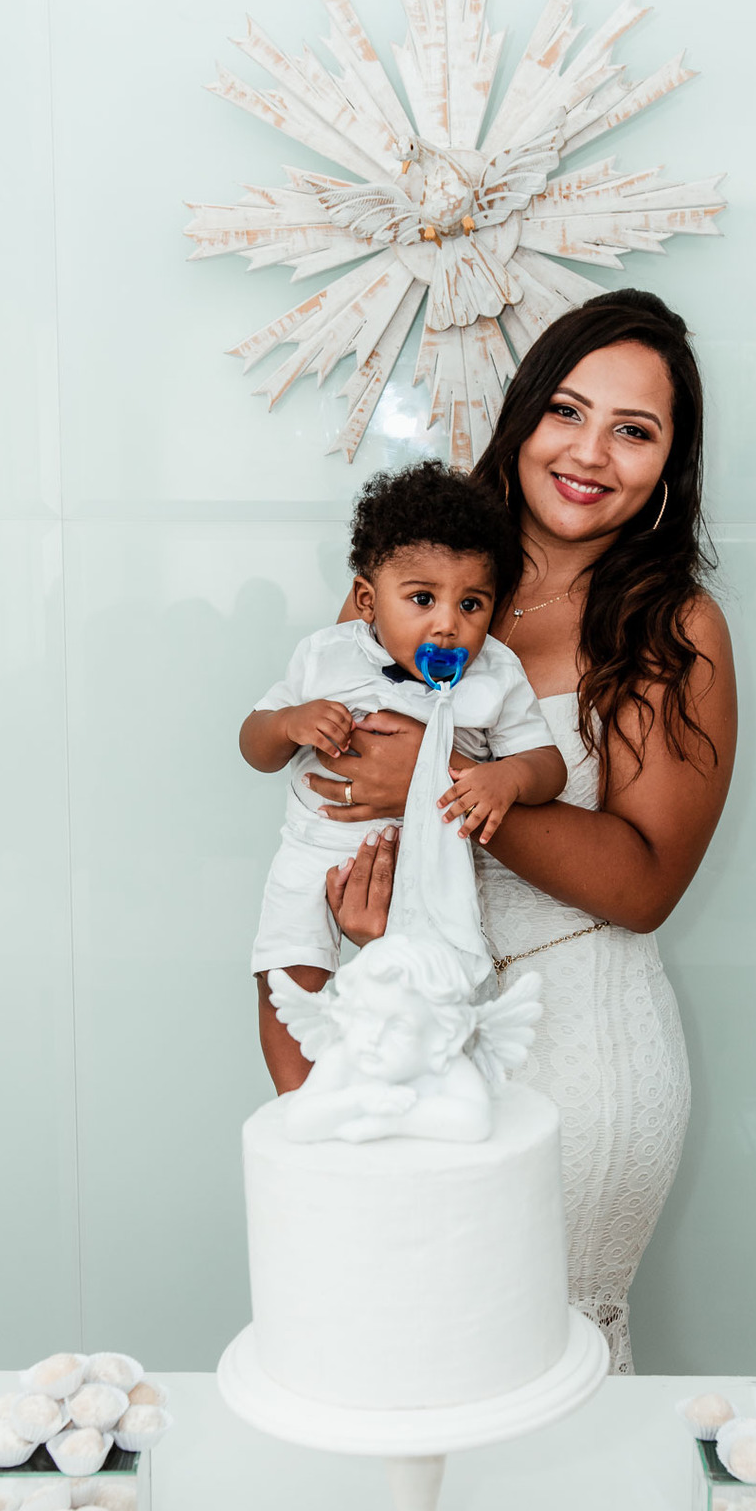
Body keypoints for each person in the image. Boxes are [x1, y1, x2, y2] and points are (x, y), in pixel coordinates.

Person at [311, 289, 738, 1373]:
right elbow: (339, 790)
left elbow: (645, 885)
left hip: (580, 1053)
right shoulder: (435, 584)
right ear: (521, 421)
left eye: (635, 431)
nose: (591, 451)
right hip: (413, 1036)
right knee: (411, 1359)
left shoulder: (669, 626)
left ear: (668, 466)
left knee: (544, 1370)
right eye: (566, 411)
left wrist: (442, 779)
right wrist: (368, 934)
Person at [240, 459, 566, 1092]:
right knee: (285, 975)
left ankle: (412, 1099)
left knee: (426, 991)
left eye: (471, 603)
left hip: (424, 863)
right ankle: (299, 1101)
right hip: (312, 850)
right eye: (422, 599)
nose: (448, 623)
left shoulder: (492, 673)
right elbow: (254, 744)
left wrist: (506, 780)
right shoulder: (326, 654)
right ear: (368, 600)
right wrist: (289, 723)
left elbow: (547, 765)